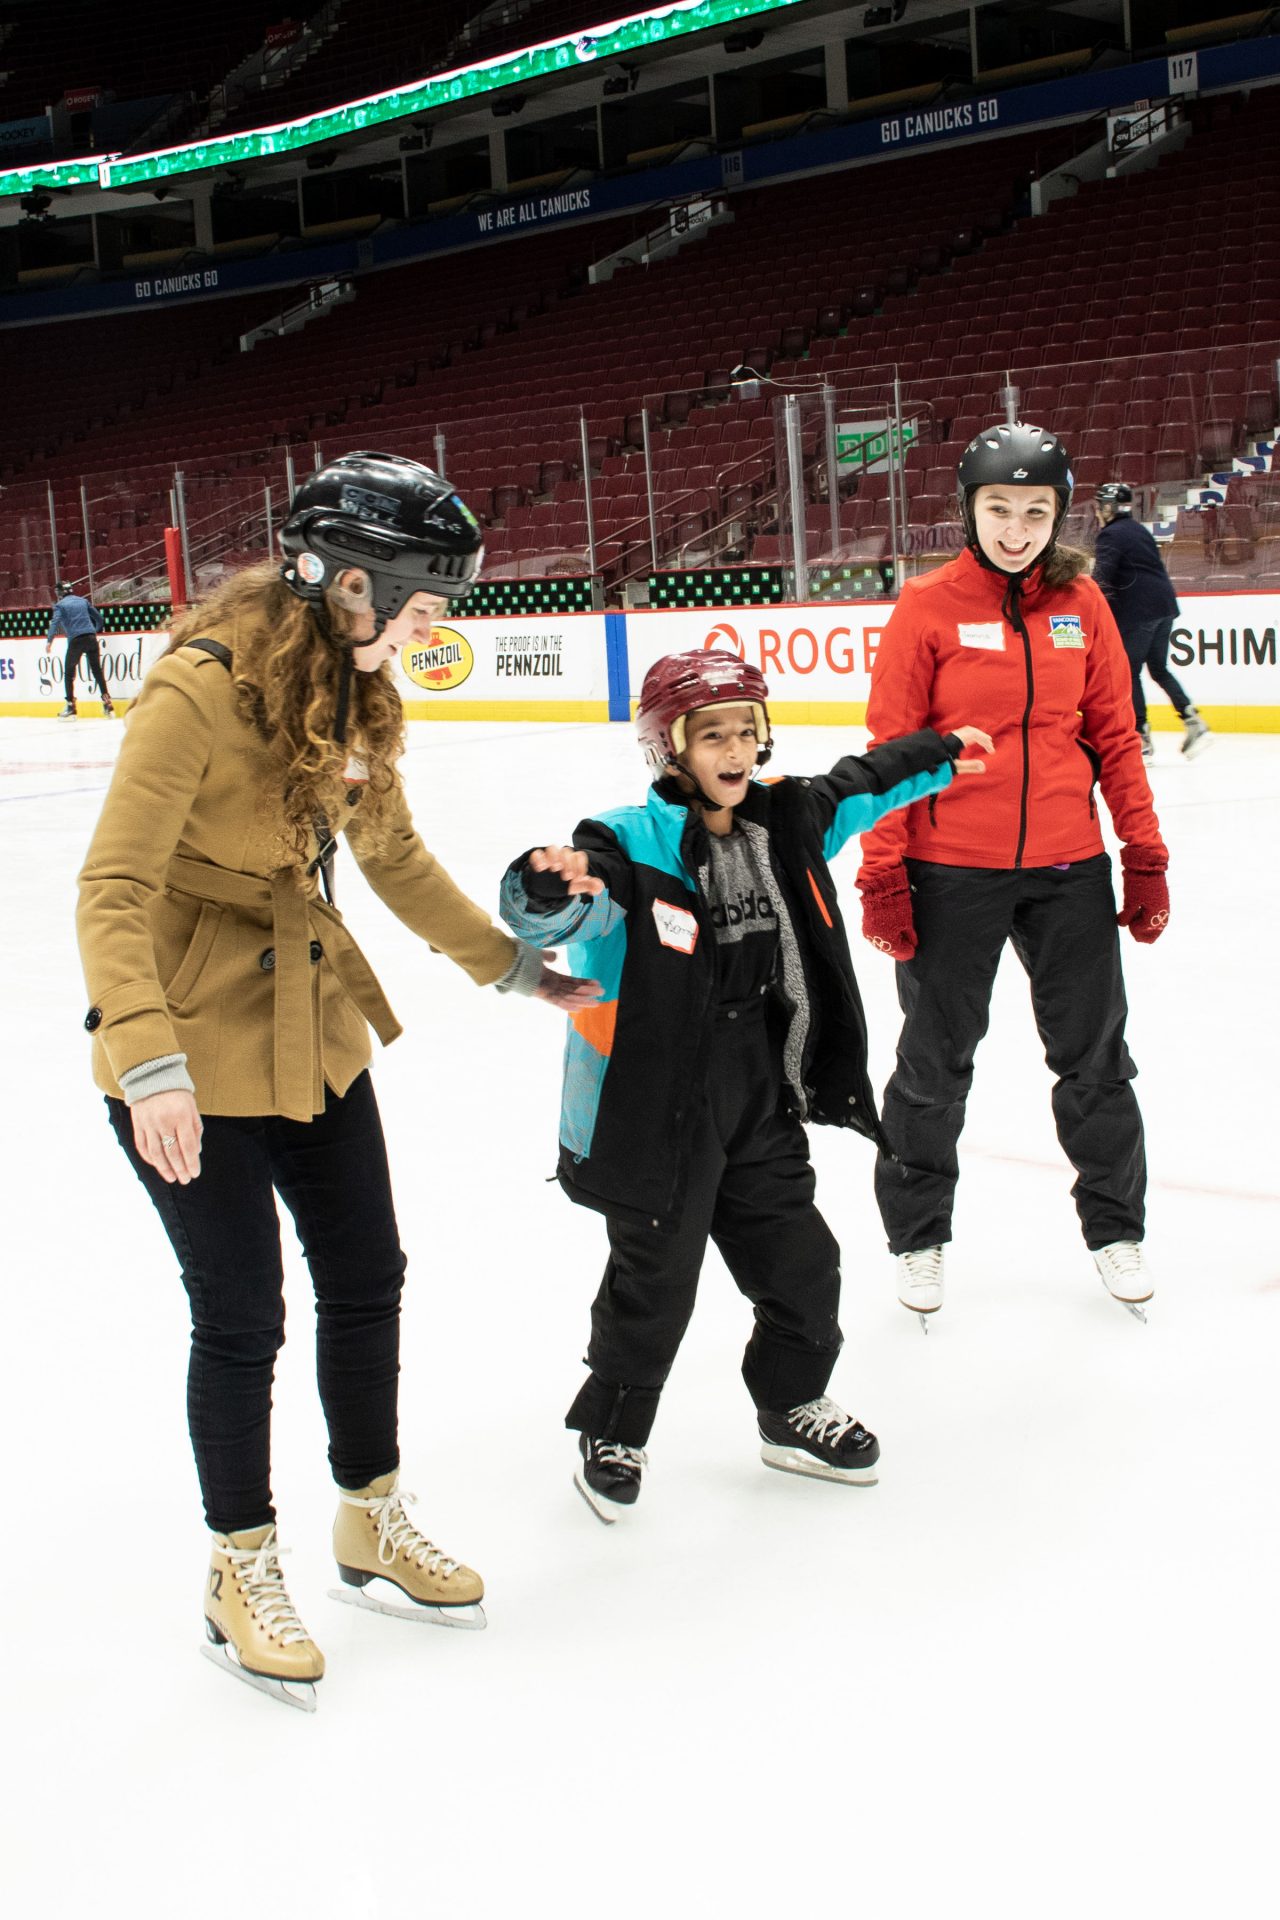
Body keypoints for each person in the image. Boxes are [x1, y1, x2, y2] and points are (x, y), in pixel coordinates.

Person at [76, 451, 599, 1711]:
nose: (436, 632)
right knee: (243, 1313)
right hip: (188, 1049)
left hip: (311, 1036)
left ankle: (368, 1517)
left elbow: (396, 860)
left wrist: (514, 970)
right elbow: (114, 889)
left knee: (367, 1276)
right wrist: (147, 1066)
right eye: (424, 608)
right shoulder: (198, 693)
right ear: (347, 584)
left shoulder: (353, 694)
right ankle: (238, 1562)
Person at [499, 649, 992, 1521]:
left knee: (805, 1265)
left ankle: (790, 1404)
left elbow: (864, 781)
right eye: (711, 734)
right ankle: (614, 1428)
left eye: (745, 732)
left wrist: (943, 750)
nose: (733, 751)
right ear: (669, 749)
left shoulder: (788, 818)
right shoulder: (622, 842)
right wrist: (544, 889)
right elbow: (576, 904)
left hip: (759, 1090)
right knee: (655, 1279)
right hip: (657, 1104)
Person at [857, 423, 1170, 1330]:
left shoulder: (1083, 603)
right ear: (969, 510)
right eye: (1000, 508)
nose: (1017, 527)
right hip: (952, 871)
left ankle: (1117, 1229)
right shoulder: (926, 605)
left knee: (1097, 1062)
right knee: (934, 1065)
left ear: (1059, 516)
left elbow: (1114, 737)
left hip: (1070, 866)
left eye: (1036, 511)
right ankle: (919, 1239)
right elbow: (893, 751)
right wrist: (885, 872)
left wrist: (1143, 854)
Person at [1092, 480, 1210, 760]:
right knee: (1158, 668)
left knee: (1128, 671)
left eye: (1100, 506)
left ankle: (1140, 735)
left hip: (1139, 611)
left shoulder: (1110, 535)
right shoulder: (1137, 530)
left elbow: (1102, 578)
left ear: (1108, 508)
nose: (1097, 512)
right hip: (1164, 606)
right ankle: (1192, 719)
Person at [46, 579, 113, 718]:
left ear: (59, 593)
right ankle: (107, 703)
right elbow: (99, 618)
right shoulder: (83, 601)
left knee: (69, 674)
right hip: (91, 638)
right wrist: (94, 630)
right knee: (97, 671)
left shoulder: (60, 605)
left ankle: (70, 706)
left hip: (76, 640)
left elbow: (55, 623)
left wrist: (49, 640)